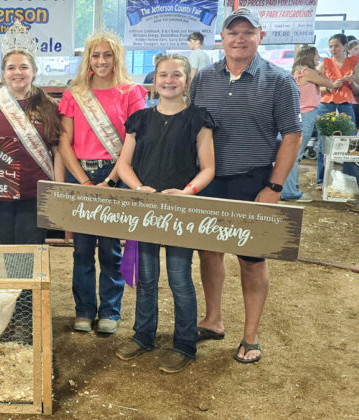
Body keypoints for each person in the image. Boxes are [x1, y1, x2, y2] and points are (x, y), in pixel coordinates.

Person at [191, 9, 301, 363]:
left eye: (247, 32)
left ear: (260, 36)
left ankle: (250, 335)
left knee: (251, 259)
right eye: (233, 32)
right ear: (222, 38)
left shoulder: (280, 81)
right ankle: (213, 320)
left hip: (252, 180)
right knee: (209, 251)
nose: (239, 38)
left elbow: (292, 137)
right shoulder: (203, 78)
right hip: (208, 180)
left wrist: (274, 187)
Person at [113, 54, 215, 373]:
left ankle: (184, 344)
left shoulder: (198, 119)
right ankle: (143, 335)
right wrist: (138, 187)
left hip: (179, 210)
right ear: (154, 81)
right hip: (145, 209)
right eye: (163, 75)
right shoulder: (139, 119)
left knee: (180, 278)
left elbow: (208, 168)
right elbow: (123, 164)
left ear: (187, 80)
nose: (169, 80)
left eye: (176, 75)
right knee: (145, 278)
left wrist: (188, 192)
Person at [58, 30, 145, 334]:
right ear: (88, 59)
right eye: (95, 55)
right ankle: (83, 310)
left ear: (117, 57)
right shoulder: (75, 93)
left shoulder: (131, 92)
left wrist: (109, 180)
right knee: (82, 250)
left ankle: (110, 310)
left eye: (108, 55)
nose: (101, 61)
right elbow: (64, 142)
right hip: (81, 173)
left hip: (116, 175)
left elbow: (134, 142)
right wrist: (83, 182)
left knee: (110, 249)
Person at [0, 26, 62, 246]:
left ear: (34, 71)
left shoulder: (49, 105)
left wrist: (58, 190)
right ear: (3, 73)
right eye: (11, 67)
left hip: (37, 193)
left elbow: (58, 151)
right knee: (8, 250)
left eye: (24, 67)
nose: (17, 72)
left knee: (32, 250)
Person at [281, 47, 334, 202]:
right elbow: (330, 83)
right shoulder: (309, 72)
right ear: (310, 56)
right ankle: (290, 192)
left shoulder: (298, 71)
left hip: (298, 114)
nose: (319, 58)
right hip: (305, 115)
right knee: (294, 156)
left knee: (292, 154)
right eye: (317, 55)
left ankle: (288, 188)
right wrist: (323, 70)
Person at [316, 34, 359, 186]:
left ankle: (349, 178)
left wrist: (352, 82)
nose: (333, 49)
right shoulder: (325, 63)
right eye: (331, 46)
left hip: (346, 104)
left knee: (350, 142)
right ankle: (322, 180)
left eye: (336, 46)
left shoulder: (354, 63)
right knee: (324, 142)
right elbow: (315, 87)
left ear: (345, 46)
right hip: (326, 104)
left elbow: (358, 89)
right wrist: (331, 86)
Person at [347, 40, 359, 134]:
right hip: (355, 101)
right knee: (354, 127)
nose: (358, 51)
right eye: (356, 49)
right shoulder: (352, 60)